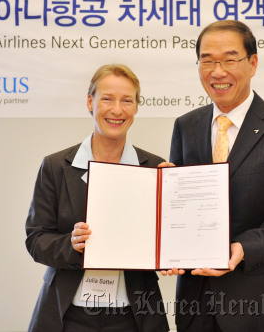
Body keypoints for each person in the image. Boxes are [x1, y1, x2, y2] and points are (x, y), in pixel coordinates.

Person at [161, 20, 264, 331]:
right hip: (196, 303)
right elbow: (178, 209)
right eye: (207, 60)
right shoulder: (186, 125)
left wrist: (243, 248)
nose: (217, 71)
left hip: (260, 302)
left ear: (253, 63)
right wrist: (163, 196)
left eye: (229, 59)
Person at [25, 64, 170, 332]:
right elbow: (36, 239)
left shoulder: (155, 169)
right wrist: (71, 244)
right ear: (90, 102)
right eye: (107, 99)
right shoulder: (56, 166)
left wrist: (177, 199)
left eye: (127, 100)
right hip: (68, 314)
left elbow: (168, 239)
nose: (117, 110)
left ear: (136, 107)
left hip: (135, 314)